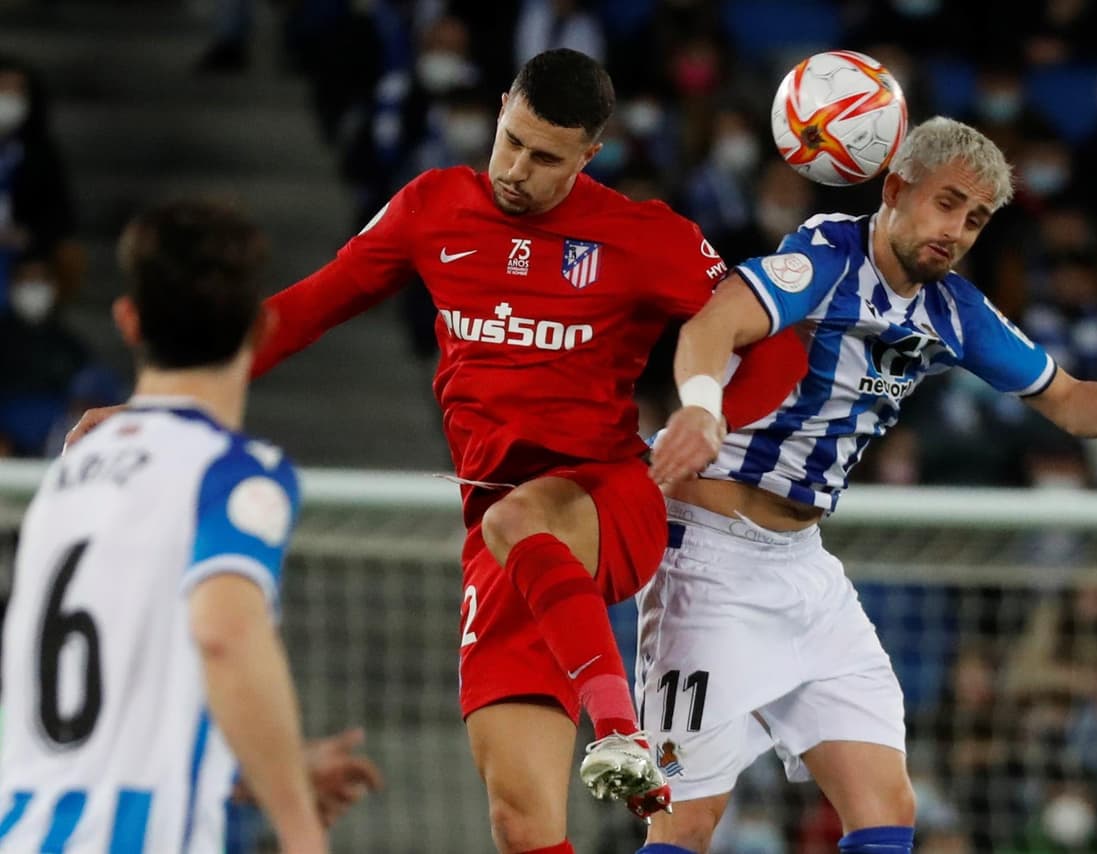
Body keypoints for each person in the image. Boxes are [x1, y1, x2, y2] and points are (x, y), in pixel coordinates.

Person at [67, 49, 804, 854]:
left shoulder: (644, 236)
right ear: (499, 110)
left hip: (605, 500)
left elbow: (776, 348)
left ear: (589, 156)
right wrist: (157, 406)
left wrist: (706, 421)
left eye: (546, 156)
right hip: (496, 531)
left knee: (527, 518)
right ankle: (608, 742)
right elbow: (309, 307)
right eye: (511, 139)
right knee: (521, 823)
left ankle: (619, 733)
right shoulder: (434, 206)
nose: (517, 168)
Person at [643, 116, 1097, 854]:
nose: (957, 231)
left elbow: (1066, 398)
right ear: (897, 189)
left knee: (886, 807)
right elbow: (711, 326)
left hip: (802, 567)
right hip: (705, 562)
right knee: (685, 823)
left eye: (974, 219)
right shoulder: (824, 256)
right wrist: (702, 410)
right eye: (947, 204)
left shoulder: (953, 309)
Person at [1, 200, 381, 852]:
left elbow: (109, 701)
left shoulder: (69, 475)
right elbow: (226, 635)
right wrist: (297, 827)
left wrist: (270, 768)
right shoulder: (236, 474)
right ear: (262, 331)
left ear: (128, 320)